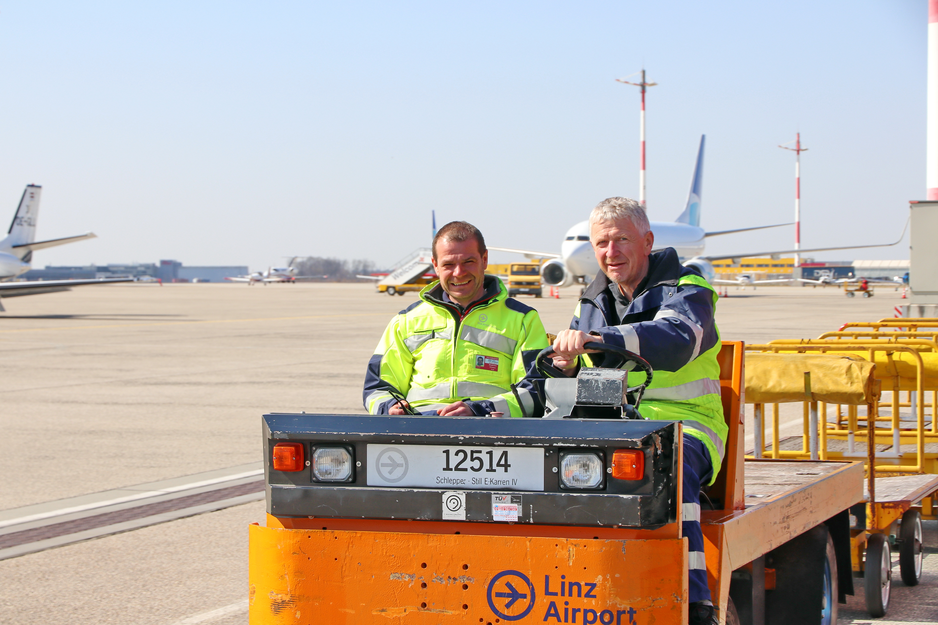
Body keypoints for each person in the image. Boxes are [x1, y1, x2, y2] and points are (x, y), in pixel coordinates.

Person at [550, 197, 727, 625]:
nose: (611, 252)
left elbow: (675, 338)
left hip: (688, 426)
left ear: (647, 241)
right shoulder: (590, 301)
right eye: (602, 243)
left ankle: (695, 602)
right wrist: (566, 364)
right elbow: (576, 377)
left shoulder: (689, 290)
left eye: (622, 240)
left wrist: (602, 338)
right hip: (615, 427)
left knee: (668, 462)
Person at [363, 221, 548, 417]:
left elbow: (535, 391)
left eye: (468, 262)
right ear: (435, 266)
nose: (459, 273)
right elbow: (377, 389)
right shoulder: (406, 321)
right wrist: (389, 408)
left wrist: (480, 410)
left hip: (489, 432)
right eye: (449, 264)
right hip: (418, 431)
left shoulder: (522, 319)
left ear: (484, 260)